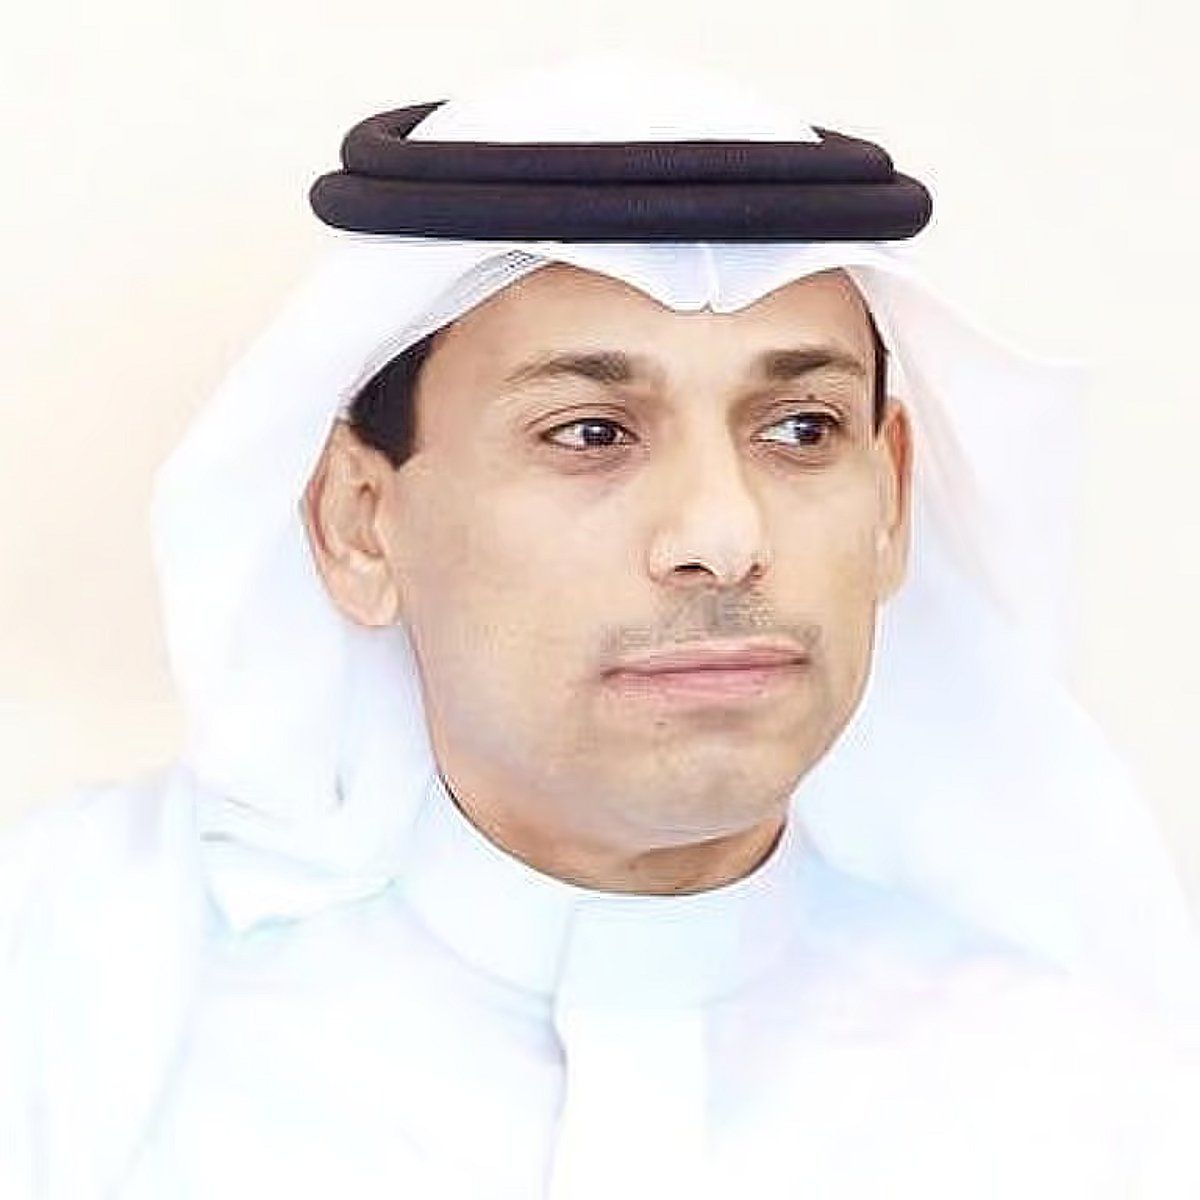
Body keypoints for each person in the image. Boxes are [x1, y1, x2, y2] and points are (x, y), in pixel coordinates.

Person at [2, 56, 1198, 1199]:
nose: (724, 535)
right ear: (362, 522)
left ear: (890, 499)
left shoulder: (1097, 1102)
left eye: (800, 429)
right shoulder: (68, 1015)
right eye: (589, 433)